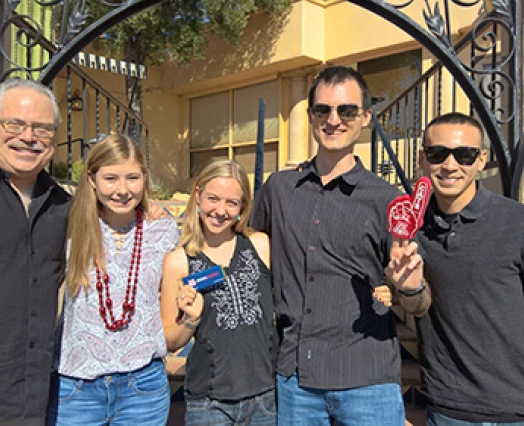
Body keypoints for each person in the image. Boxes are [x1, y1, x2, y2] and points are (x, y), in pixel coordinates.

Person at [251, 65, 431, 425]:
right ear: (311, 116)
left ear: (365, 116)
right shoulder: (279, 190)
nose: (334, 120)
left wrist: (412, 289)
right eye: (324, 110)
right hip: (296, 379)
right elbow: (244, 249)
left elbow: (420, 304)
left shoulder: (388, 201)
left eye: (347, 110)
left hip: (368, 379)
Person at [0, 79, 70, 426]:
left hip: (34, 402)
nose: (28, 137)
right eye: (15, 124)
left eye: (42, 128)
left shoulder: (64, 204)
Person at [46, 134, 179, 426]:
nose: (122, 190)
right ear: (92, 179)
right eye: (111, 178)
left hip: (142, 389)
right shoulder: (67, 227)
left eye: (132, 177)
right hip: (75, 389)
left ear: (145, 177)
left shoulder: (163, 230)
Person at [415, 112, 524, 425]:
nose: (450, 165)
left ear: (482, 160)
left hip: (513, 409)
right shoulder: (411, 228)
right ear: (422, 159)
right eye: (437, 154)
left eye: (464, 155)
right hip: (448, 409)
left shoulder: (516, 222)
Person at [160, 160, 277, 425]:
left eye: (232, 203)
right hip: (209, 402)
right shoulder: (179, 261)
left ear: (242, 208)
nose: (220, 211)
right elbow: (169, 341)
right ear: (198, 196)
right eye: (213, 199)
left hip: (265, 398)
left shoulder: (259, 245)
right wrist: (191, 319)